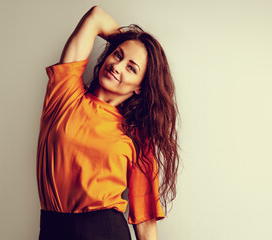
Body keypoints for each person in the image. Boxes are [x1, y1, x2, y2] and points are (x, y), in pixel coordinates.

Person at [36, 5, 179, 240]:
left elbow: (144, 221)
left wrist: (136, 49)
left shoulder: (136, 136)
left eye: (131, 68)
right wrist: (133, 41)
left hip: (105, 232)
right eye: (118, 55)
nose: (116, 66)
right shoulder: (64, 94)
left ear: (141, 86)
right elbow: (95, 17)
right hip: (51, 229)